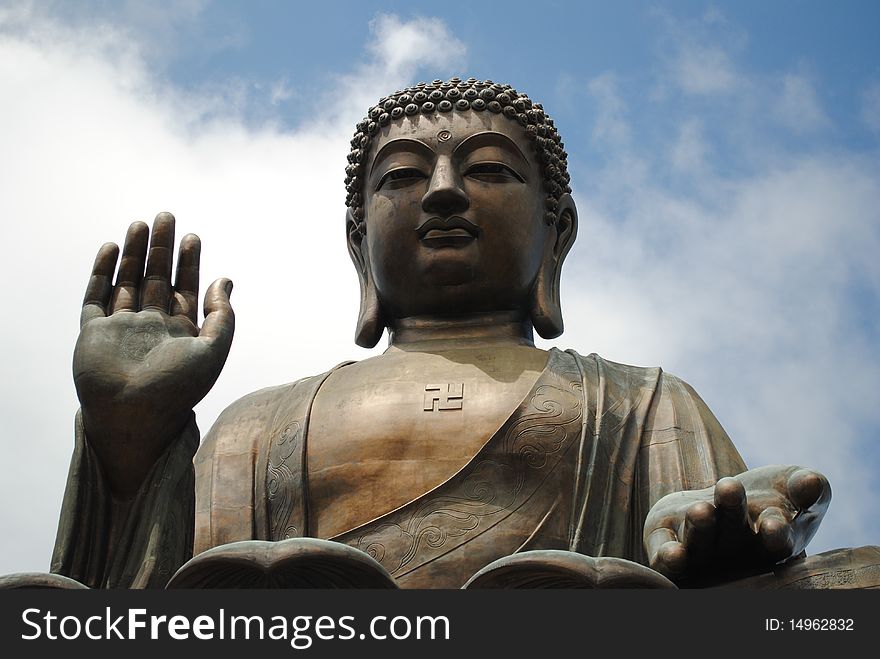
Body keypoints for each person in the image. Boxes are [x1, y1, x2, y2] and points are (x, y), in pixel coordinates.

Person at [50, 78, 831, 589]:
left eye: (490, 170)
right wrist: (130, 440)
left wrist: (720, 539)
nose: (447, 193)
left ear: (556, 233)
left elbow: (716, 549)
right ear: (359, 242)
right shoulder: (257, 425)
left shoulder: (643, 404)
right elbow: (140, 609)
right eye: (403, 176)